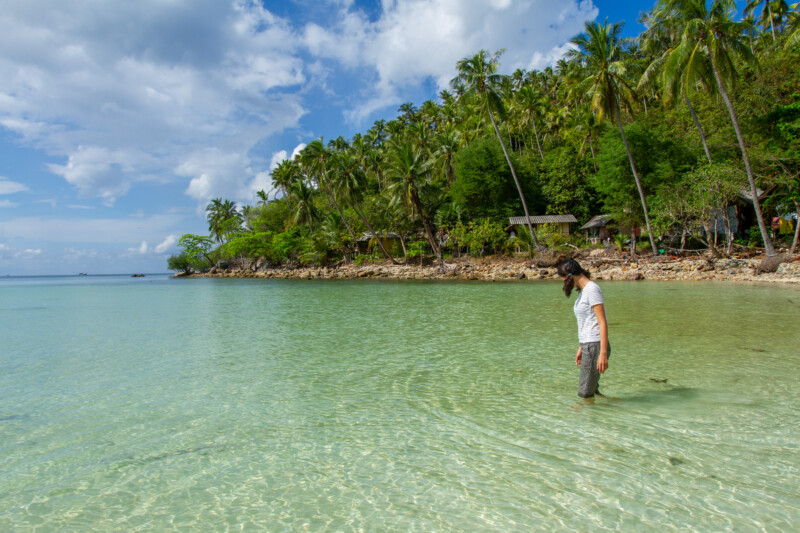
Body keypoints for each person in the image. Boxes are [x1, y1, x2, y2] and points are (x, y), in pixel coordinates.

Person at [556, 258, 610, 398]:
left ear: (570, 275)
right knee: (593, 391)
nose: (564, 284)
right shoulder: (584, 292)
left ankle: (585, 417)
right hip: (588, 345)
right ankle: (612, 411)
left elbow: (602, 322)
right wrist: (581, 347)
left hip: (595, 346)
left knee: (585, 393)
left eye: (563, 280)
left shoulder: (592, 289)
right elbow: (587, 322)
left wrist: (602, 353)